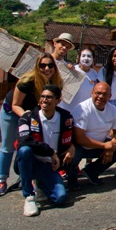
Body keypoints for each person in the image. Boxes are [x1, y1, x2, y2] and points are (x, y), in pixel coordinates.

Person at [0, 53, 63, 197]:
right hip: (12, 112)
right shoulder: (27, 81)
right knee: (8, 145)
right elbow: (16, 104)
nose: (47, 68)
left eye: (50, 65)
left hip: (33, 114)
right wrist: (27, 118)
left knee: (32, 144)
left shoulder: (56, 82)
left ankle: (28, 176)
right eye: (42, 65)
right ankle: (2, 180)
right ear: (37, 67)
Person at [16, 84, 74, 216]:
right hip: (30, 162)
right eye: (42, 96)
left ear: (58, 101)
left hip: (49, 166)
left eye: (49, 97)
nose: (44, 100)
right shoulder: (28, 117)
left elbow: (75, 135)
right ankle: (29, 196)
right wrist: (50, 151)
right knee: (24, 150)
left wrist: (72, 146)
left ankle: (41, 184)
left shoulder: (66, 118)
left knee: (60, 198)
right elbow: (24, 141)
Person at [68, 82, 116, 188]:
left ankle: (92, 172)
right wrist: (104, 146)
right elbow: (80, 138)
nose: (101, 97)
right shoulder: (82, 109)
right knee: (72, 153)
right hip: (80, 146)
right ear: (92, 93)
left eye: (105, 94)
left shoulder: (112, 110)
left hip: (98, 146)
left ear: (110, 96)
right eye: (98, 93)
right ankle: (71, 180)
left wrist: (112, 146)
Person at [61, 47, 100, 112]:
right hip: (69, 109)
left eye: (89, 56)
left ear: (93, 59)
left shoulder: (94, 74)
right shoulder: (72, 70)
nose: (86, 58)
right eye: (83, 56)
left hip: (85, 110)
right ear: (79, 58)